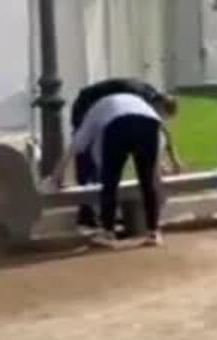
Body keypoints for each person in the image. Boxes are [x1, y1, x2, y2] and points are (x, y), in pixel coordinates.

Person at [43, 91, 182, 249]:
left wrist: (57, 176)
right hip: (149, 125)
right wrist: (163, 169)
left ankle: (107, 232)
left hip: (118, 125)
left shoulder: (96, 112)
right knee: (148, 181)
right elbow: (159, 145)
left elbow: (76, 145)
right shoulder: (143, 107)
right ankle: (153, 232)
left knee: (110, 181)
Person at [68, 78, 168, 228]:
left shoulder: (147, 100)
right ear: (158, 105)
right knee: (87, 159)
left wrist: (173, 158)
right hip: (86, 104)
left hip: (110, 113)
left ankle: (104, 214)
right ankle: (87, 213)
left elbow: (159, 128)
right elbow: (78, 143)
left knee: (108, 169)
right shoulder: (140, 99)